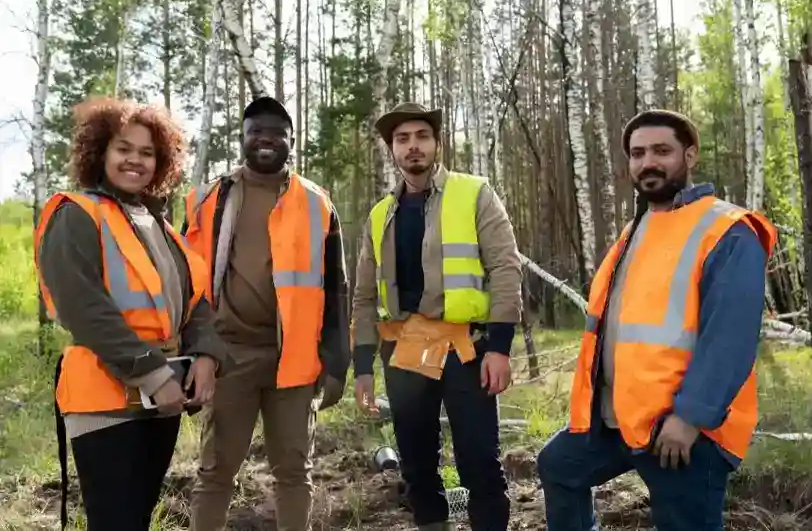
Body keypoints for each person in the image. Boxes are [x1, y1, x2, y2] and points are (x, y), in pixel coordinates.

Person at [536, 109, 777, 531]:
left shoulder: (727, 229)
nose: (648, 162)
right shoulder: (638, 229)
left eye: (662, 151)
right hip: (619, 419)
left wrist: (690, 417)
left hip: (683, 430)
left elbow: (730, 337)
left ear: (689, 155)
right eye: (638, 153)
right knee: (559, 466)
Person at [33, 96, 228, 531]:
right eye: (124, 149)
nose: (135, 161)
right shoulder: (75, 215)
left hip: (161, 398)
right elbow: (84, 309)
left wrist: (208, 357)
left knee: (136, 520)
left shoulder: (157, 224)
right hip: (107, 398)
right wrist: (154, 375)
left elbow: (194, 303)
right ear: (100, 151)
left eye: (147, 152)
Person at [351, 102, 523, 531]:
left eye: (421, 137)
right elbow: (363, 297)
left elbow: (505, 268)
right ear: (392, 150)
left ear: (437, 144)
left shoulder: (474, 193)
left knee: (480, 462)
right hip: (405, 350)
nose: (413, 147)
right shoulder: (379, 215)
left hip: (466, 348)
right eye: (402, 140)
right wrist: (363, 367)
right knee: (417, 468)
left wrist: (499, 348)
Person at [182, 95, 350, 531]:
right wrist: (193, 351)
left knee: (294, 473)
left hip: (293, 361)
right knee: (216, 473)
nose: (267, 140)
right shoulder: (208, 201)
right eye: (257, 131)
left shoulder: (317, 203)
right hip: (228, 356)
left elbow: (337, 290)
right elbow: (186, 283)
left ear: (291, 141)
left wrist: (337, 361)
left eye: (277, 132)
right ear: (242, 138)